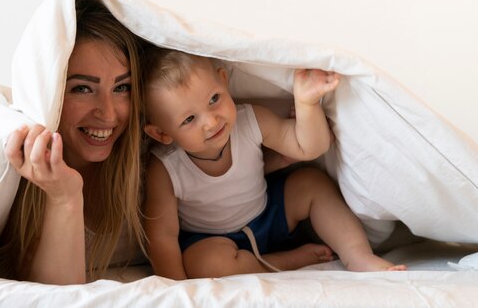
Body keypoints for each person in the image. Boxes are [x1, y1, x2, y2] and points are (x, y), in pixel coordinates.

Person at [142, 49, 405, 279]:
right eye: (189, 119)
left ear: (224, 81)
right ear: (163, 134)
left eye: (214, 99)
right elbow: (162, 235)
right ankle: (286, 261)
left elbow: (309, 147)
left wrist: (306, 103)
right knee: (205, 264)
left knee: (310, 183)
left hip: (269, 213)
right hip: (213, 240)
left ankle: (358, 256)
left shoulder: (250, 120)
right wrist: (175, 288)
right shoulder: (166, 168)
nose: (211, 122)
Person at [0, 0, 146, 284]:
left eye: (122, 87)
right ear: (52, 94)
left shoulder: (152, 157)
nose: (108, 113)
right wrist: (64, 198)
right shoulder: (23, 175)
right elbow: (58, 300)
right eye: (82, 88)